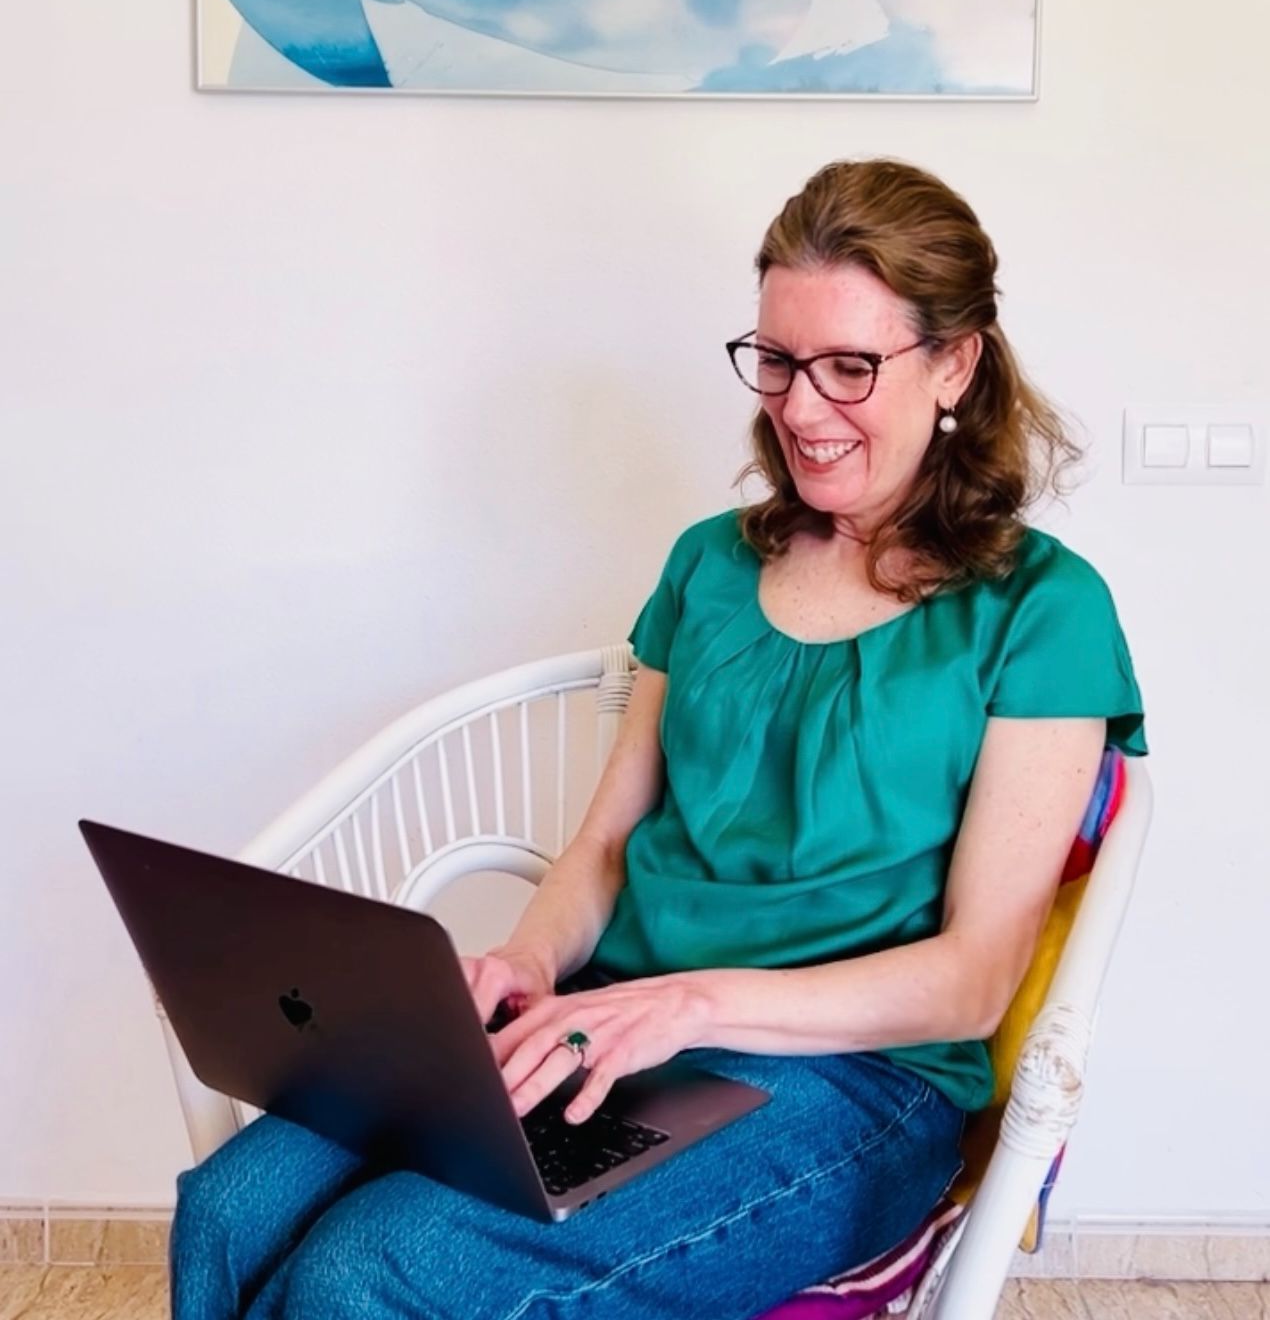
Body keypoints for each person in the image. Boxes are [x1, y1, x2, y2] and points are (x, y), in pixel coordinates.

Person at [169, 158, 1147, 1319]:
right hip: (612, 1016)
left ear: (954, 363)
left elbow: (972, 982)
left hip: (843, 1085)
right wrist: (529, 968)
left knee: (373, 1269)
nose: (799, 408)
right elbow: (601, 847)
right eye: (777, 361)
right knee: (230, 1209)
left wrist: (683, 1006)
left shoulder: (1041, 608)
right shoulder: (707, 565)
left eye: (848, 367)